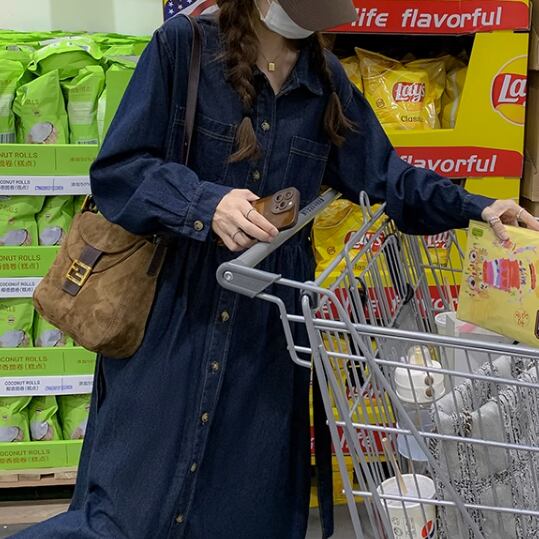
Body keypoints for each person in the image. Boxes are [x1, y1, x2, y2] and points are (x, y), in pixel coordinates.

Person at [14, 1, 539, 538]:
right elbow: (120, 170)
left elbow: (388, 176)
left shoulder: (323, 80)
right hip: (175, 315)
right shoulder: (183, 49)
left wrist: (477, 207)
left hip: (266, 336)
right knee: (128, 511)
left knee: (247, 512)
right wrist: (205, 203)